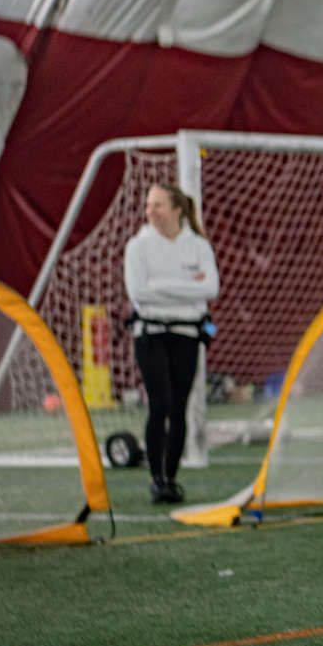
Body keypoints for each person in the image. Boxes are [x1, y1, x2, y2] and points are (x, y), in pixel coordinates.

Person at [123, 183, 219, 504]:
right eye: (149, 205)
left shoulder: (198, 246)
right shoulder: (137, 247)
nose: (151, 211)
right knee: (159, 402)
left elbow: (210, 289)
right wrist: (185, 287)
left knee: (179, 407)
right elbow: (139, 293)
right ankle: (155, 478)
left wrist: (161, 286)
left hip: (187, 335)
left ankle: (170, 478)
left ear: (177, 209)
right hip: (150, 334)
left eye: (158, 205)